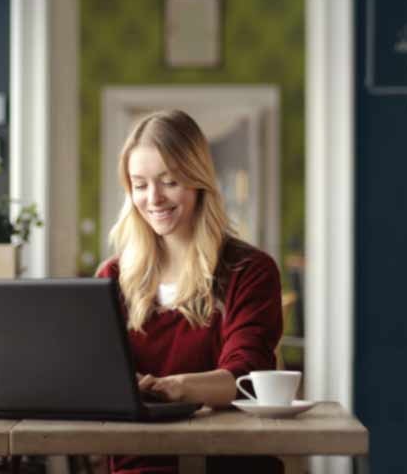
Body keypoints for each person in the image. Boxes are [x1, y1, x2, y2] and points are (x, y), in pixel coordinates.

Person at [97, 109, 284, 474]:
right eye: (140, 184)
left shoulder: (249, 271)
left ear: (198, 180)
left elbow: (246, 378)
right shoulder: (113, 276)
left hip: (229, 465)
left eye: (170, 181)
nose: (154, 199)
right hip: (139, 466)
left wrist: (176, 388)